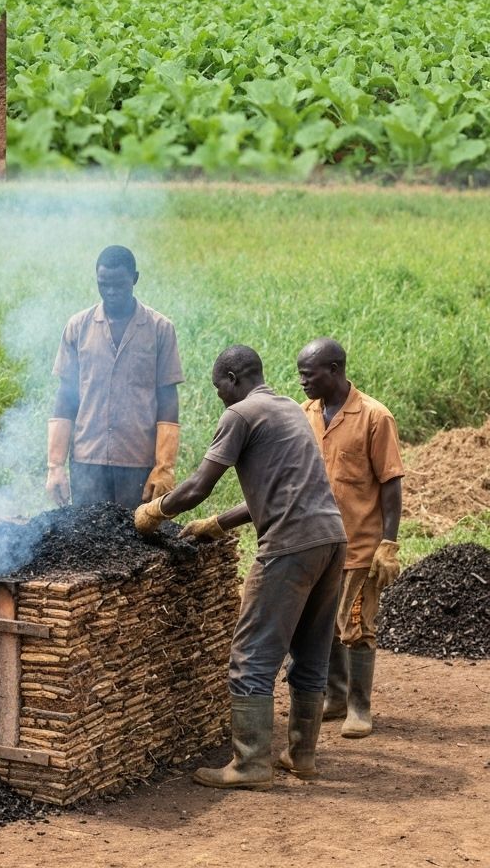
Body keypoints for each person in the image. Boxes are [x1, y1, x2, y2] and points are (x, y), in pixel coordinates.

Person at [134, 345, 347, 790]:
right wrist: (217, 525)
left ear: (232, 378)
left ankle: (250, 763)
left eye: (218, 388)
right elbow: (280, 489)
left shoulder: (241, 414)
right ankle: (301, 756)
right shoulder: (288, 407)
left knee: (251, 654)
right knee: (310, 652)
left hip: (289, 546)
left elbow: (196, 486)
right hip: (331, 539)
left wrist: (154, 511)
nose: (219, 397)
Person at [297, 338, 404, 740]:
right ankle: (337, 696)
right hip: (317, 541)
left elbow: (391, 484)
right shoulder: (305, 414)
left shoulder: (374, 417)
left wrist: (388, 543)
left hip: (359, 543)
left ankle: (360, 706)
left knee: (357, 626)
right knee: (324, 624)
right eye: (301, 375)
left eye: (310, 374)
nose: (303, 381)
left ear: (336, 370)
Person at [46, 245, 184, 511]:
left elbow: (168, 399)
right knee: (88, 541)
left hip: (138, 461)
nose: (110, 292)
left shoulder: (160, 329)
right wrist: (55, 466)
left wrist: (164, 467)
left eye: (119, 285)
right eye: (103, 284)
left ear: (134, 278)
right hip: (87, 459)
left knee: (134, 542)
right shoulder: (78, 326)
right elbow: (65, 396)